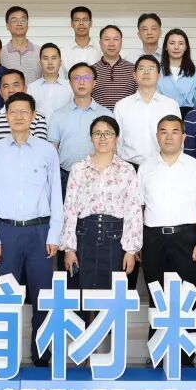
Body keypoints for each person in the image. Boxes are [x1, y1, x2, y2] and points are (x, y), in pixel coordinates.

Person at [0, 92, 63, 367]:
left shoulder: (47, 151)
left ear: (33, 116)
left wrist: (54, 234)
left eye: (24, 112)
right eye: (13, 112)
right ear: (6, 116)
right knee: (4, 298)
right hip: (6, 232)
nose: (18, 116)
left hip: (40, 232)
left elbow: (56, 196)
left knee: (43, 297)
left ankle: (42, 355)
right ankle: (3, 354)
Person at [139, 115, 196, 366]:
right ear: (157, 136)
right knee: (157, 296)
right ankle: (158, 354)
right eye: (163, 131)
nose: (169, 136)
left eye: (174, 131)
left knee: (187, 296)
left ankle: (185, 356)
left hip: (187, 238)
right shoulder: (145, 167)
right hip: (153, 238)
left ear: (183, 137)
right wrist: (138, 242)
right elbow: (138, 207)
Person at [61, 115, 141, 289]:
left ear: (116, 137)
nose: (102, 138)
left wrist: (130, 250)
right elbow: (70, 209)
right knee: (81, 291)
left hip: (116, 236)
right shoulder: (78, 168)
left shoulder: (127, 170)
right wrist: (69, 249)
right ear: (91, 138)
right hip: (84, 234)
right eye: (97, 133)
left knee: (112, 292)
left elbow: (133, 210)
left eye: (108, 133)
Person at [48, 62, 110, 197]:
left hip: (98, 175)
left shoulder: (106, 114)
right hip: (65, 176)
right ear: (70, 83)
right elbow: (52, 150)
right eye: (76, 78)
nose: (81, 82)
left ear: (94, 83)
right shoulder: (58, 115)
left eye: (86, 78)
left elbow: (112, 148)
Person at [113, 55, 180, 167]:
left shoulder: (171, 105)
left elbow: (178, 140)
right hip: (129, 167)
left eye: (151, 68)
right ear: (134, 75)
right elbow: (117, 142)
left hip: (162, 166)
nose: (146, 72)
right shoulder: (121, 106)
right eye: (141, 68)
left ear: (158, 76)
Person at [0, 69, 48, 148]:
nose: (11, 90)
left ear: (25, 89)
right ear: (0, 92)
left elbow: (40, 149)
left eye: (15, 85)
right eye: (6, 86)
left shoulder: (38, 117)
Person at [157, 28, 196, 116]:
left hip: (188, 116)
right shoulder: (157, 71)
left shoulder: (195, 71)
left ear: (186, 47)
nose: (176, 47)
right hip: (163, 115)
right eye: (172, 43)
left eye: (181, 43)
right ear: (166, 47)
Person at [92, 25, 136, 110]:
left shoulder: (134, 69)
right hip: (98, 118)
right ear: (100, 43)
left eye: (116, 39)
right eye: (107, 39)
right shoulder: (91, 70)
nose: (111, 44)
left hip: (126, 117)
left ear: (121, 42)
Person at [28, 43, 72, 119]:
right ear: (40, 63)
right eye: (45, 58)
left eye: (54, 58)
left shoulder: (71, 87)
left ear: (60, 62)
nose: (50, 63)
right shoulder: (31, 88)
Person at [0, 6, 41, 83]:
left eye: (23, 20)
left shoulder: (40, 51)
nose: (19, 23)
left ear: (28, 24)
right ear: (7, 26)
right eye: (14, 20)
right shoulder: (0, 53)